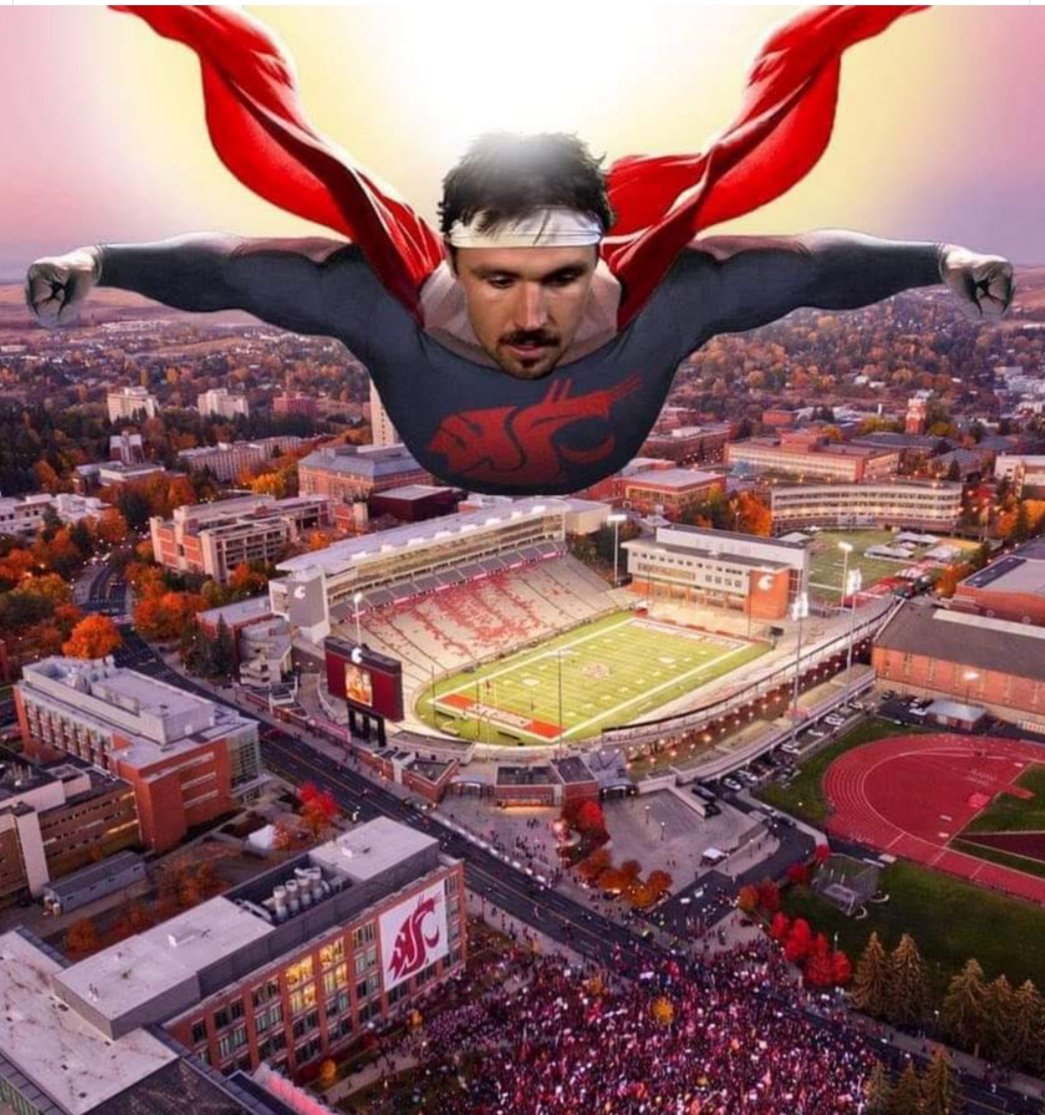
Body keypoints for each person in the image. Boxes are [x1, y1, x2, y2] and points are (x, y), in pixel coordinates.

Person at [26, 6, 1013, 496]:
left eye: (562, 280)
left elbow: (815, 264)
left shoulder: (661, 300)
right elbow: (223, 266)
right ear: (451, 262)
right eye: (498, 281)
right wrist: (97, 262)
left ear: (602, 259)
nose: (533, 318)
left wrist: (944, 260)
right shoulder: (385, 305)